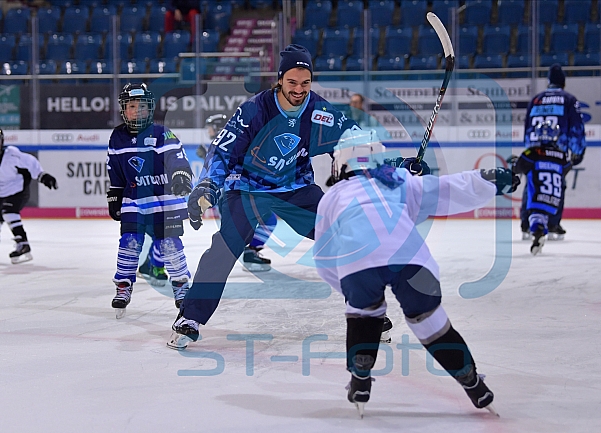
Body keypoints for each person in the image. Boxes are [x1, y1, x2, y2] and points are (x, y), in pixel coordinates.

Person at [167, 44, 412, 349]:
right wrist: (207, 186)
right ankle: (190, 316)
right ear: (280, 79)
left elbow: (359, 142)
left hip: (295, 188)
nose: (299, 90)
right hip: (247, 189)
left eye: (306, 83)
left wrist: (398, 166)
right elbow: (222, 151)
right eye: (293, 82)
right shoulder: (254, 110)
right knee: (225, 247)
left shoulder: (320, 111)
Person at [313, 129, 518, 417]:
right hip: (412, 261)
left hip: (356, 265)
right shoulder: (399, 181)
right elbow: (447, 190)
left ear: (341, 161)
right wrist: (489, 181)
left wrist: (351, 292)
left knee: (364, 314)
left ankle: (360, 378)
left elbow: (323, 256)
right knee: (431, 324)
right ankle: (472, 384)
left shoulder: (332, 197)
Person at [107, 83, 194, 319]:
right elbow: (115, 169)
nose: (137, 111)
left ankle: (181, 287)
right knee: (129, 241)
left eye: (142, 106)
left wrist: (181, 175)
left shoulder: (161, 133)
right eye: (132, 106)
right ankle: (123, 286)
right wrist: (114, 194)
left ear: (150, 109)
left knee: (169, 245)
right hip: (135, 199)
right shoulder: (117, 137)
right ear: (124, 109)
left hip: (165, 200)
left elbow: (177, 158)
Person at [199, 113, 277, 272]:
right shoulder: (232, 143)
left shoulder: (224, 145)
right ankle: (243, 254)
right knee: (263, 222)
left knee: (253, 225)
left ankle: (238, 255)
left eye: (210, 128)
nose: (209, 131)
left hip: (234, 193)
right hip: (236, 194)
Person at [520, 63, 585, 241]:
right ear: (563, 83)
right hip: (557, 149)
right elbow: (576, 128)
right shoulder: (569, 99)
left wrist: (528, 149)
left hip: (534, 148)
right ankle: (552, 223)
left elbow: (527, 127)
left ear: (548, 82)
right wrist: (578, 151)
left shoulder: (536, 99)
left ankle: (526, 224)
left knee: (532, 184)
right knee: (555, 183)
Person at [514, 120, 573, 255]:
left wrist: (514, 164)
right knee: (546, 214)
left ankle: (535, 230)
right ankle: (552, 226)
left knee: (535, 215)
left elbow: (519, 167)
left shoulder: (533, 152)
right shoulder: (562, 155)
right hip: (554, 198)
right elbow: (566, 168)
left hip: (537, 193)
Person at [0, 128, 58, 263]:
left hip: (17, 190)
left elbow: (30, 162)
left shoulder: (12, 155)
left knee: (9, 212)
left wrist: (42, 176)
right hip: (1, 193)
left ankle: (23, 244)